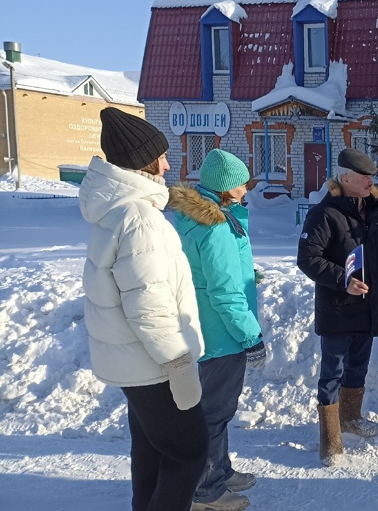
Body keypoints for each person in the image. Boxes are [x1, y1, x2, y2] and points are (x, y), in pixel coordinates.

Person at [79, 106, 208, 511]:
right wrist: (179, 365)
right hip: (155, 367)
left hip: (138, 364)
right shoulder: (140, 218)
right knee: (189, 453)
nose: (168, 165)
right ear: (143, 162)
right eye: (161, 156)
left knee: (153, 455)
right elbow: (149, 306)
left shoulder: (119, 212)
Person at [169, 149, 266, 511]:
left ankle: (219, 471)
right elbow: (225, 294)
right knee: (214, 413)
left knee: (217, 410)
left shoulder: (207, 217)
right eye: (241, 183)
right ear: (226, 189)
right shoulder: (217, 228)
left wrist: (246, 275)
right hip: (223, 333)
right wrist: (250, 336)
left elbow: (212, 274)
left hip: (211, 325)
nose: (246, 188)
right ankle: (206, 492)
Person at [296, 148, 378, 466]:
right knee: (332, 373)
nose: (371, 181)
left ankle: (351, 418)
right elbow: (307, 258)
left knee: (358, 367)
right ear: (345, 179)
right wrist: (344, 280)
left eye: (372, 176)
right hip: (339, 308)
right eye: (364, 176)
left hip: (371, 307)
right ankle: (330, 440)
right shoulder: (324, 214)